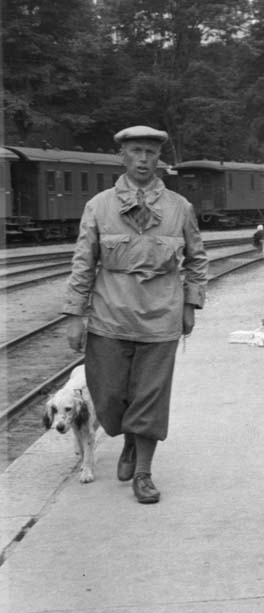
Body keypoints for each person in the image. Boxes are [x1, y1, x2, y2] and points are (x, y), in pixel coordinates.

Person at [63, 125, 208, 504]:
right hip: (110, 316)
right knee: (108, 395)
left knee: (151, 397)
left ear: (159, 158)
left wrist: (190, 305)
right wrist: (75, 314)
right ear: (122, 156)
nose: (144, 159)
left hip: (161, 317)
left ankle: (143, 471)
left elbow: (196, 259)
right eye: (136, 152)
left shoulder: (180, 207)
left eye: (151, 153)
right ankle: (128, 435)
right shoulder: (99, 206)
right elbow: (83, 263)